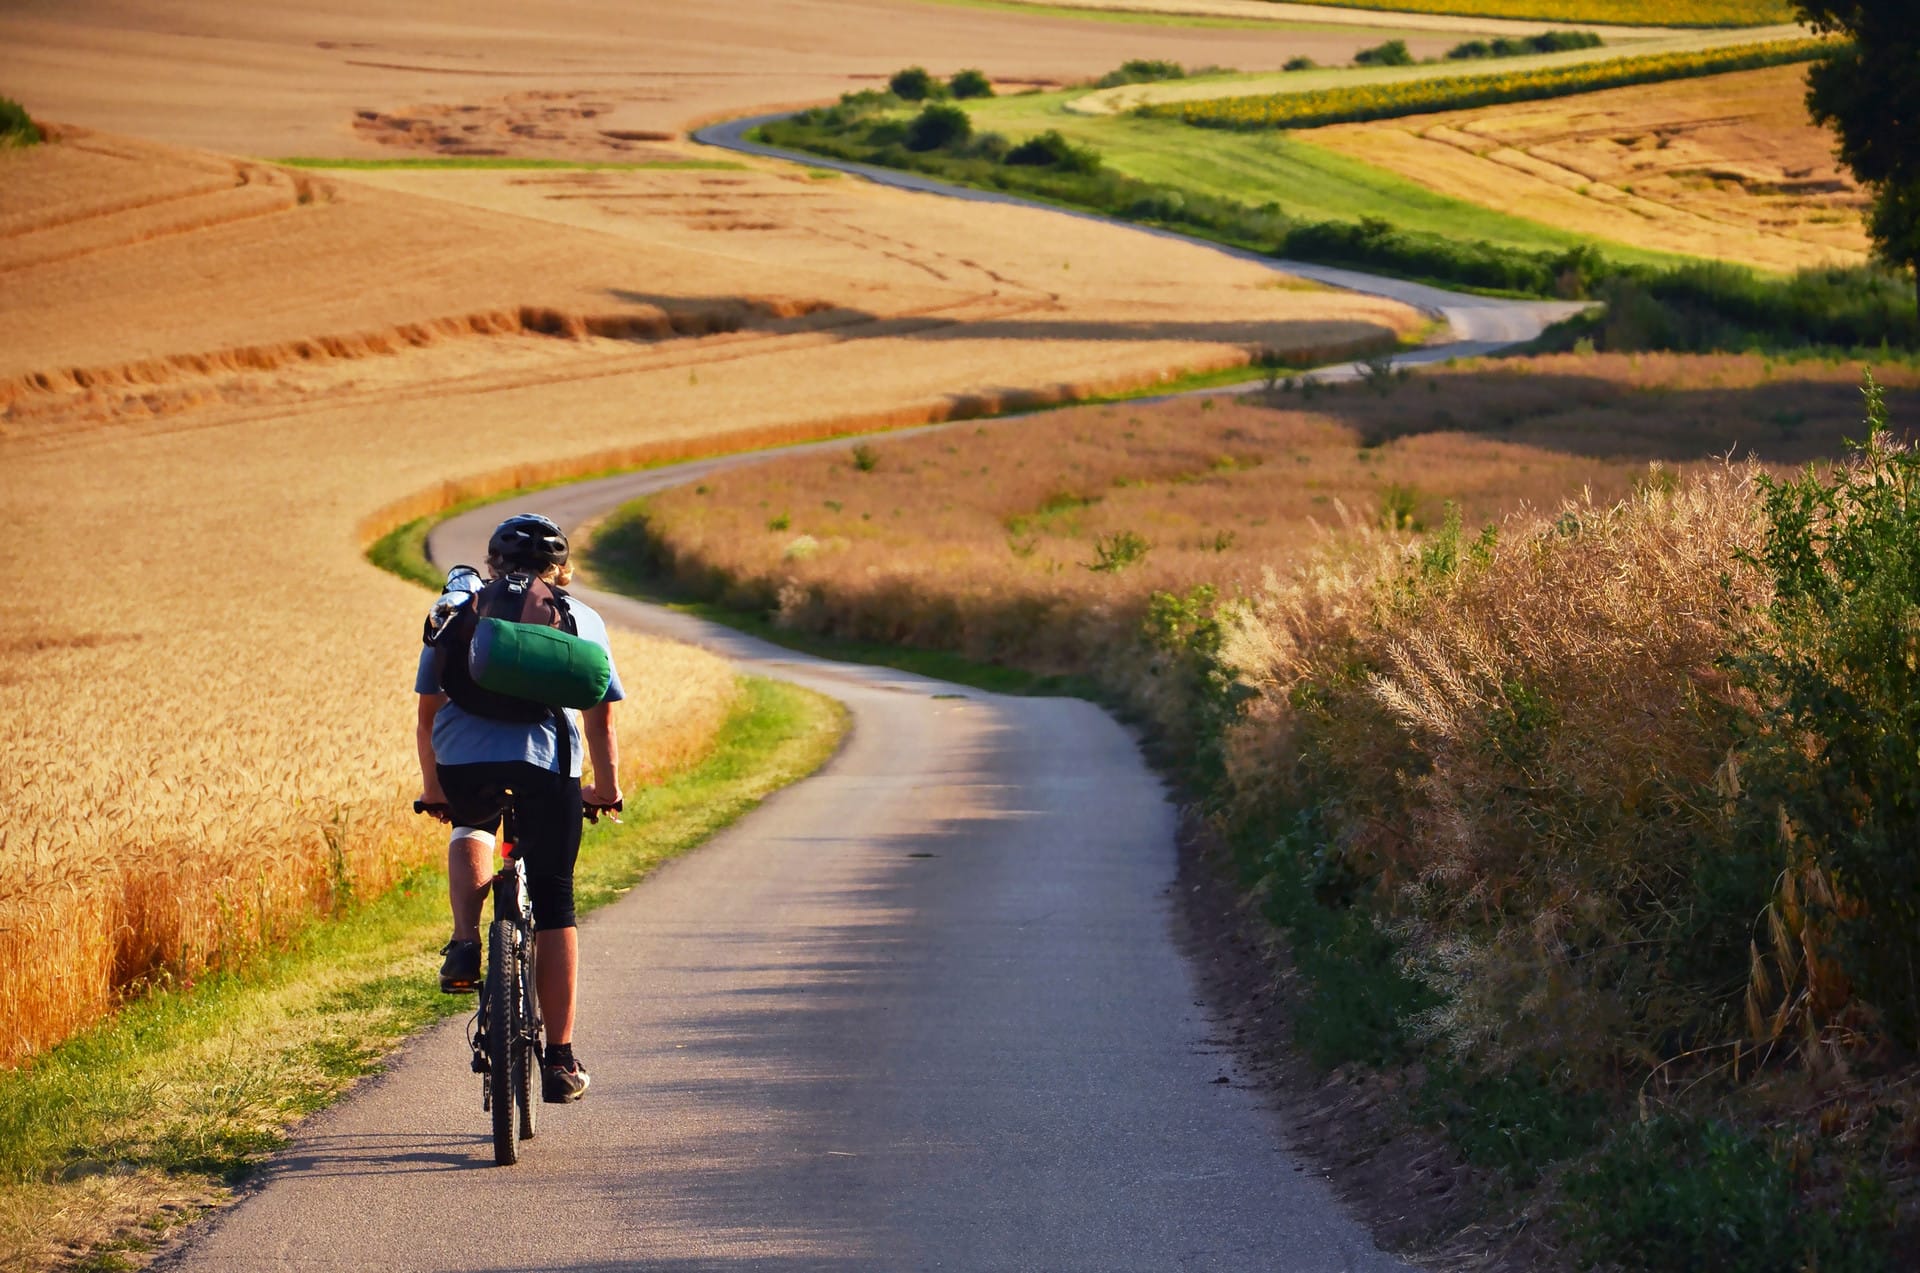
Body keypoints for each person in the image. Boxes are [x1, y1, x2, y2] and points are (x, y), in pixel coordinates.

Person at [414, 513, 624, 1103]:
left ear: (491, 564)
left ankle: (464, 943)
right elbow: (600, 713)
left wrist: (434, 787)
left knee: (471, 826)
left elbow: (429, 709)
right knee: (554, 897)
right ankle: (559, 1059)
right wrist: (604, 788)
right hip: (548, 763)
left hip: (464, 760)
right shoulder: (581, 617)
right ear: (560, 569)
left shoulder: (457, 607)